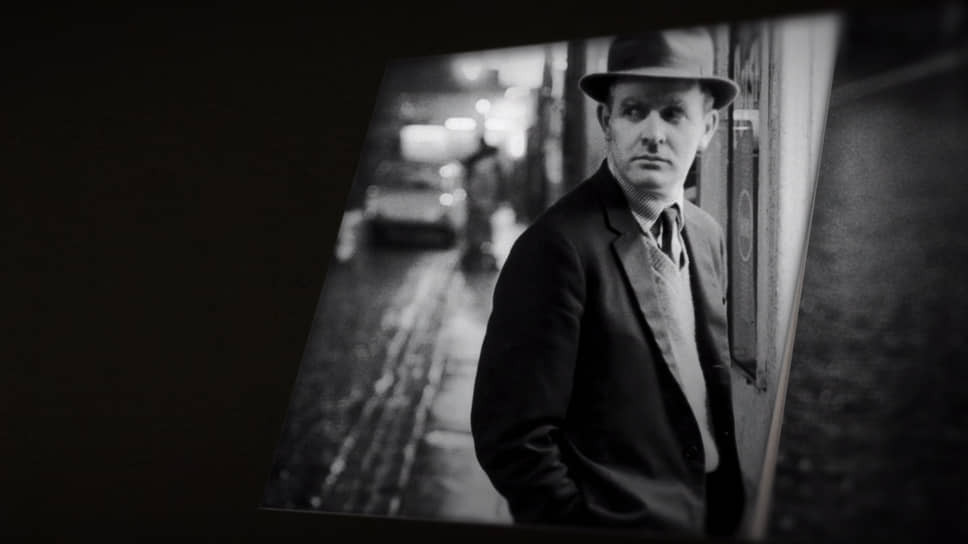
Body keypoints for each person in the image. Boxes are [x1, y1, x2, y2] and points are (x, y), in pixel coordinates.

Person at [470, 27, 746, 538]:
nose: (654, 133)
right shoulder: (556, 248)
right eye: (635, 111)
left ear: (707, 128)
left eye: (674, 114)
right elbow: (511, 436)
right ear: (606, 121)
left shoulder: (706, 235)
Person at [460, 135, 505, 271]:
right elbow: (487, 187)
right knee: (480, 232)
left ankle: (477, 259)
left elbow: (478, 186)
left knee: (478, 231)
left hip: (479, 203)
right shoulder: (487, 167)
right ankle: (479, 260)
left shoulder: (481, 166)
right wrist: (488, 201)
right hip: (482, 203)